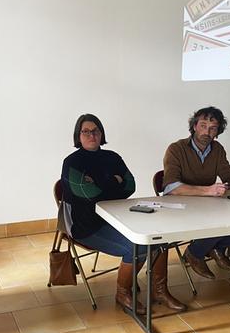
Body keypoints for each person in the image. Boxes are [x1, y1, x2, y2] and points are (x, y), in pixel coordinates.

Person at [61, 114, 186, 312]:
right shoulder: (72, 163)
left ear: (101, 134)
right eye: (86, 131)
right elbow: (86, 193)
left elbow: (130, 186)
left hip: (118, 218)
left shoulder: (112, 157)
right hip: (86, 226)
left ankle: (159, 291)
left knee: (160, 239)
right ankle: (122, 292)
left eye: (95, 131)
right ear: (78, 135)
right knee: (134, 248)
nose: (91, 135)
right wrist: (114, 181)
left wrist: (101, 184)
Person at [162, 106, 230, 279]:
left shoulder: (217, 149)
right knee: (218, 220)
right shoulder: (176, 149)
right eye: (203, 126)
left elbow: (228, 174)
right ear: (194, 126)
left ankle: (211, 248)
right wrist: (208, 190)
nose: (207, 132)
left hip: (208, 206)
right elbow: (171, 187)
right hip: (180, 208)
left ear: (218, 131)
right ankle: (196, 252)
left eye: (213, 128)